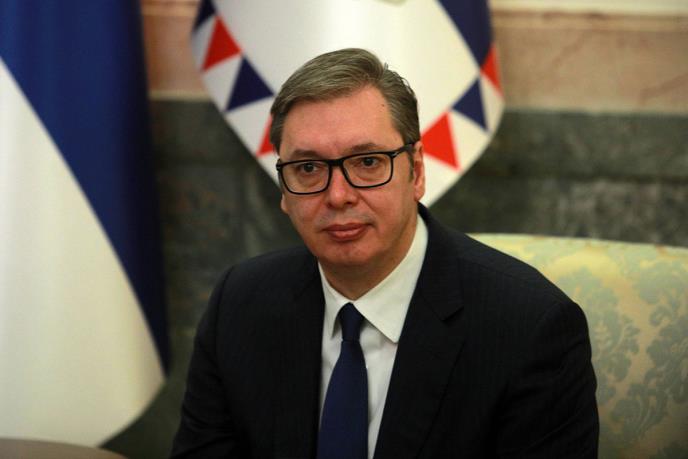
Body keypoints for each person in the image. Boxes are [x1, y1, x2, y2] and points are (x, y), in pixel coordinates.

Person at [171, 48, 598, 459]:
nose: (338, 196)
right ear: (283, 190)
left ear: (417, 171)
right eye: (308, 168)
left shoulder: (529, 329)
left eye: (368, 162)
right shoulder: (240, 303)